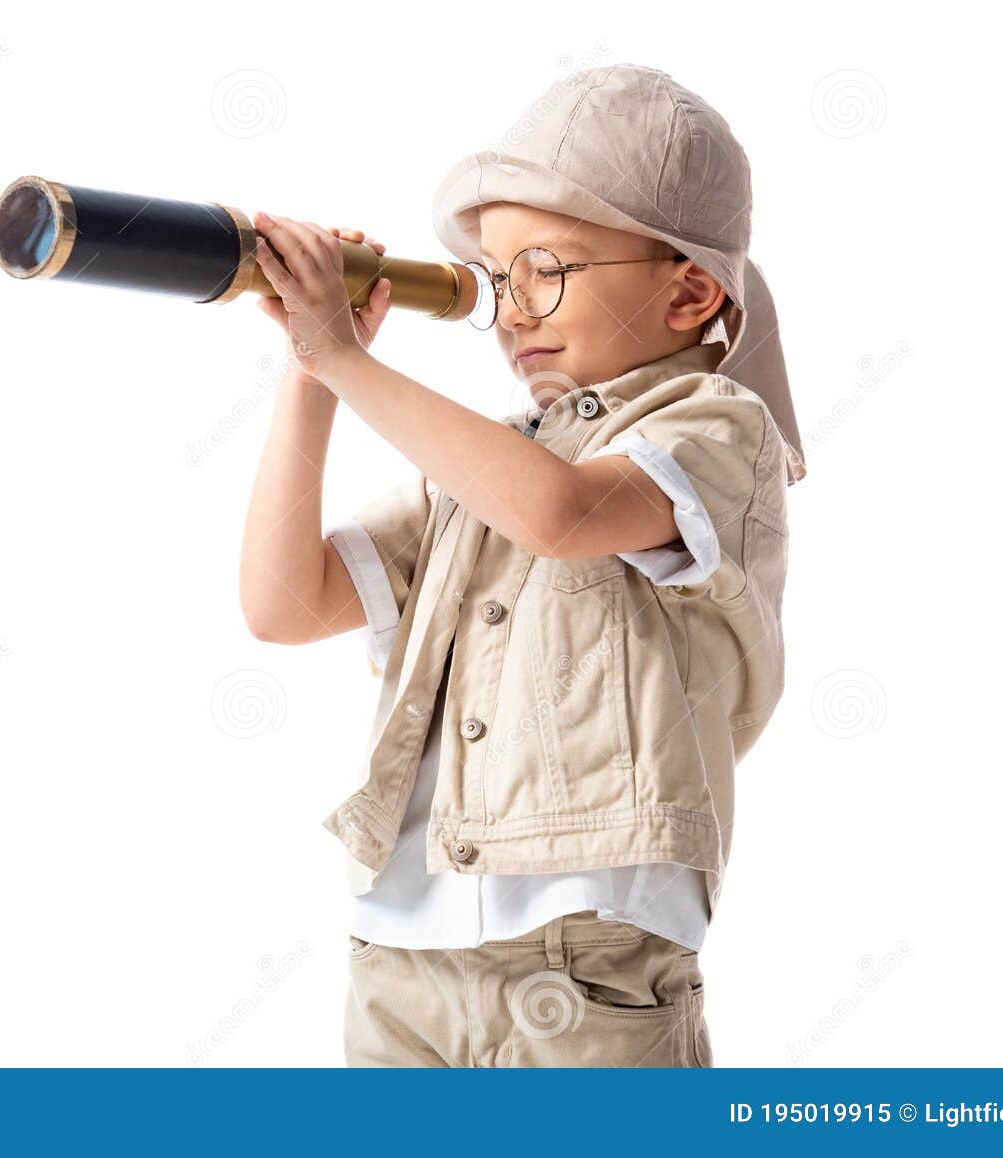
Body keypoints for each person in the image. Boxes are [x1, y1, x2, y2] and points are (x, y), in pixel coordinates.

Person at [238, 63, 806, 1067]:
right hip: (401, 958)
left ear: (687, 291)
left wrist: (352, 360)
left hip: (582, 958)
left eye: (547, 268)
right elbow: (282, 603)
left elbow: (562, 511)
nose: (510, 310)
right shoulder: (478, 472)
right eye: (497, 281)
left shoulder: (719, 431)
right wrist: (309, 370)